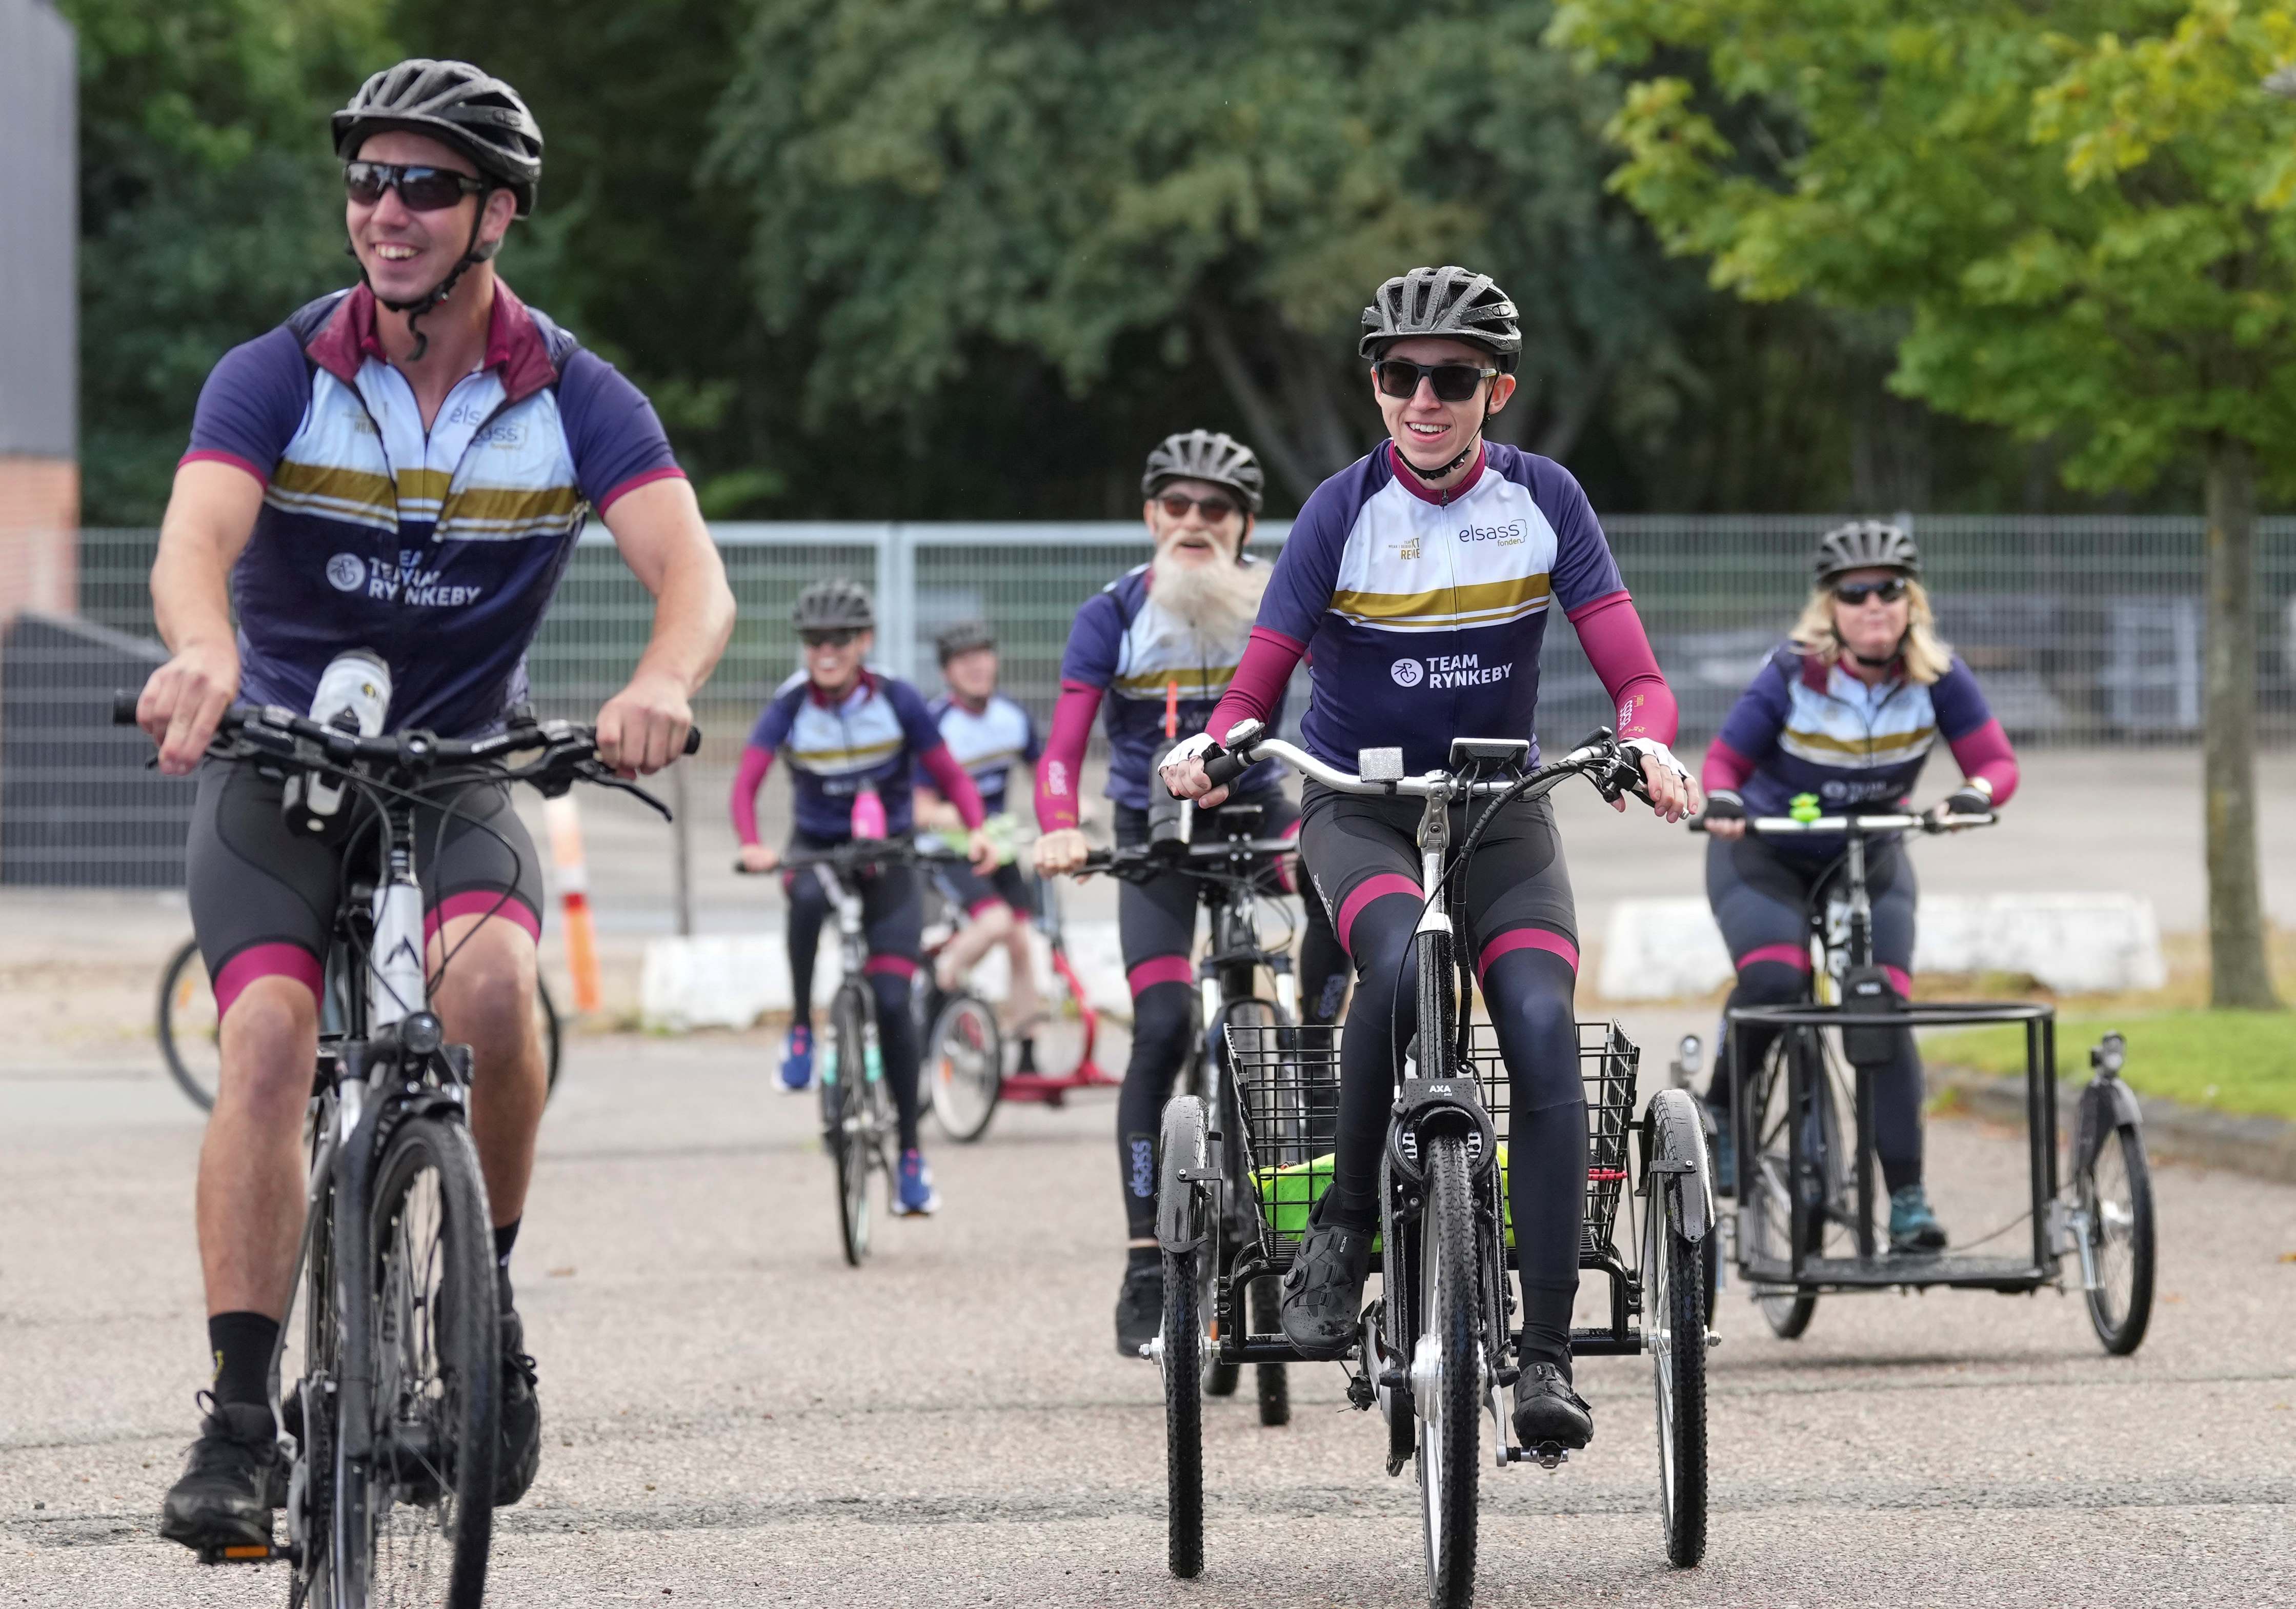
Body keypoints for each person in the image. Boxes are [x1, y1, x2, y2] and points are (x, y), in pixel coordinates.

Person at [137, 59, 736, 1553]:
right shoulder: (278, 371)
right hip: (282, 767)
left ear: (496, 216)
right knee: (269, 1036)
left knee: (492, 994)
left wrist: (662, 681)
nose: (385, 212)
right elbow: (194, 541)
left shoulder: (574, 395)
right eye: (366, 183)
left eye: (424, 186)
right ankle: (231, 1416)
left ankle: (490, 1300)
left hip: (458, 764)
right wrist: (202, 649)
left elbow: (695, 579)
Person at [1162, 266, 1697, 1451]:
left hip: (1500, 808)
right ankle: (1340, 1232)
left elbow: (1636, 676)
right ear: (1375, 386)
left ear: (1492, 391)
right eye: (1398, 374)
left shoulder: (1544, 500)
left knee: (1545, 1025)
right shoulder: (1338, 511)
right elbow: (1259, 676)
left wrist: (1649, 745)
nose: (1421, 397)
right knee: (1397, 966)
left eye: (1450, 377)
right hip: (1361, 809)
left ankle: (1546, 1356)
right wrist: (1214, 739)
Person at [1033, 429, 1350, 1358]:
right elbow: (1061, 752)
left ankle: (1328, 1230)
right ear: (1150, 516)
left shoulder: (1282, 604)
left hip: (1266, 827)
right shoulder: (1113, 614)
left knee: (1320, 1015)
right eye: (1176, 505)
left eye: (1215, 509)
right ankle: (1143, 1261)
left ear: (1246, 524)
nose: (1194, 523)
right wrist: (1059, 821)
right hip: (1155, 840)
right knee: (1164, 1022)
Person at [1697, 520, 2019, 1252]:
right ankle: (1719, 1113)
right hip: (1768, 855)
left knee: (1880, 1009)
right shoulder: (1792, 672)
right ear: (1830, 607)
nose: (1873, 604)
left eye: (1889, 589)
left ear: (1911, 602)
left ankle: (1906, 1200)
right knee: (1775, 982)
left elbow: (1996, 763)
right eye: (1855, 592)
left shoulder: (1936, 675)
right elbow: (1722, 764)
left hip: (1869, 859)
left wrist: (1972, 793)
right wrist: (1722, 802)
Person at [732, 580, 999, 1216]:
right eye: (813, 641)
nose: (824, 652)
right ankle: (800, 1032)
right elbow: (746, 783)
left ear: (863, 643)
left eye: (838, 640)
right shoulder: (792, 705)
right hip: (818, 850)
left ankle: (909, 1157)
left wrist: (978, 830)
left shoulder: (898, 699)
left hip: (890, 857)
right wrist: (752, 844)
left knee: (890, 1003)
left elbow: (951, 776)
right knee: (799, 901)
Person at [913, 620, 1047, 1061]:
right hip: (949, 853)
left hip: (1001, 847)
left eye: (982, 655)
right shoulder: (936, 725)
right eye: (963, 659)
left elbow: (1044, 773)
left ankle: (1027, 1048)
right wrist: (954, 818)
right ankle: (942, 982)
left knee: (1022, 943)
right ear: (947, 671)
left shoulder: (1012, 717)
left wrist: (1075, 811)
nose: (976, 667)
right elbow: (919, 809)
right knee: (994, 925)